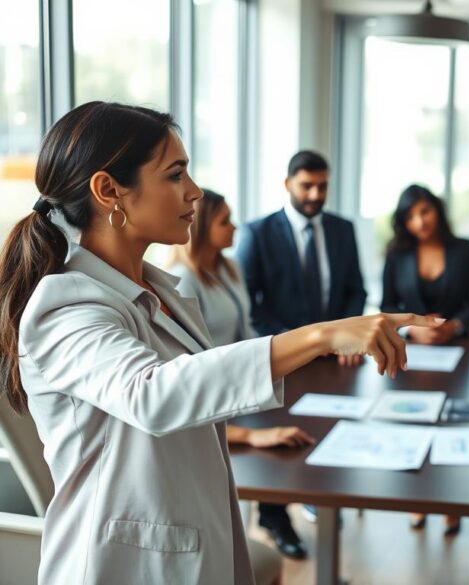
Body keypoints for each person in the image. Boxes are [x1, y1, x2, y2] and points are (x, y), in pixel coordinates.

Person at [0, 101, 437, 584]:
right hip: (120, 567)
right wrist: (322, 334)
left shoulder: (159, 293)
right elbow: (154, 394)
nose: (195, 192)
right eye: (175, 175)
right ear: (110, 191)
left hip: (190, 543)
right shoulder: (66, 305)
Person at [169, 189, 315, 560]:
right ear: (202, 228)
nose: (234, 226)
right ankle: (275, 516)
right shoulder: (183, 280)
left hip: (245, 382)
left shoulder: (228, 267)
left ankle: (291, 507)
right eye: (224, 221)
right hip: (219, 397)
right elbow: (191, 369)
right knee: (279, 433)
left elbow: (248, 330)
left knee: (300, 412)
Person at [380, 184, 469, 535]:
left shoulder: (463, 248)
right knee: (413, 428)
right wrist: (412, 330)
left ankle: (450, 505)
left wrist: (454, 326)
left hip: (459, 354)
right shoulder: (397, 254)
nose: (420, 221)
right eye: (410, 216)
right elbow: (388, 305)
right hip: (413, 356)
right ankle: (416, 500)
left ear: (437, 211)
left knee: (450, 429)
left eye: (425, 212)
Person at [236, 150, 368, 367]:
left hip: (339, 356)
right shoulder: (257, 233)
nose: (316, 195)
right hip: (283, 356)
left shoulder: (343, 229)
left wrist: (349, 335)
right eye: (306, 186)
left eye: (322, 186)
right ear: (288, 184)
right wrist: (288, 341)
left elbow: (355, 290)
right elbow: (246, 301)